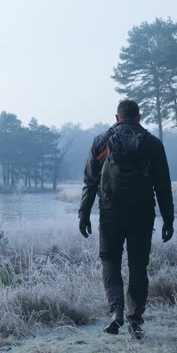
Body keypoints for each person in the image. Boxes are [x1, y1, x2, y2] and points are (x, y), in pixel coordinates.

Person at [78, 99, 174, 339]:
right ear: (139, 117)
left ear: (117, 117)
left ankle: (116, 311)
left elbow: (90, 181)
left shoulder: (102, 142)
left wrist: (84, 213)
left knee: (109, 259)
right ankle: (135, 321)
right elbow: (163, 187)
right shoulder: (152, 144)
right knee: (138, 266)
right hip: (142, 212)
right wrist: (169, 220)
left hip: (111, 211)